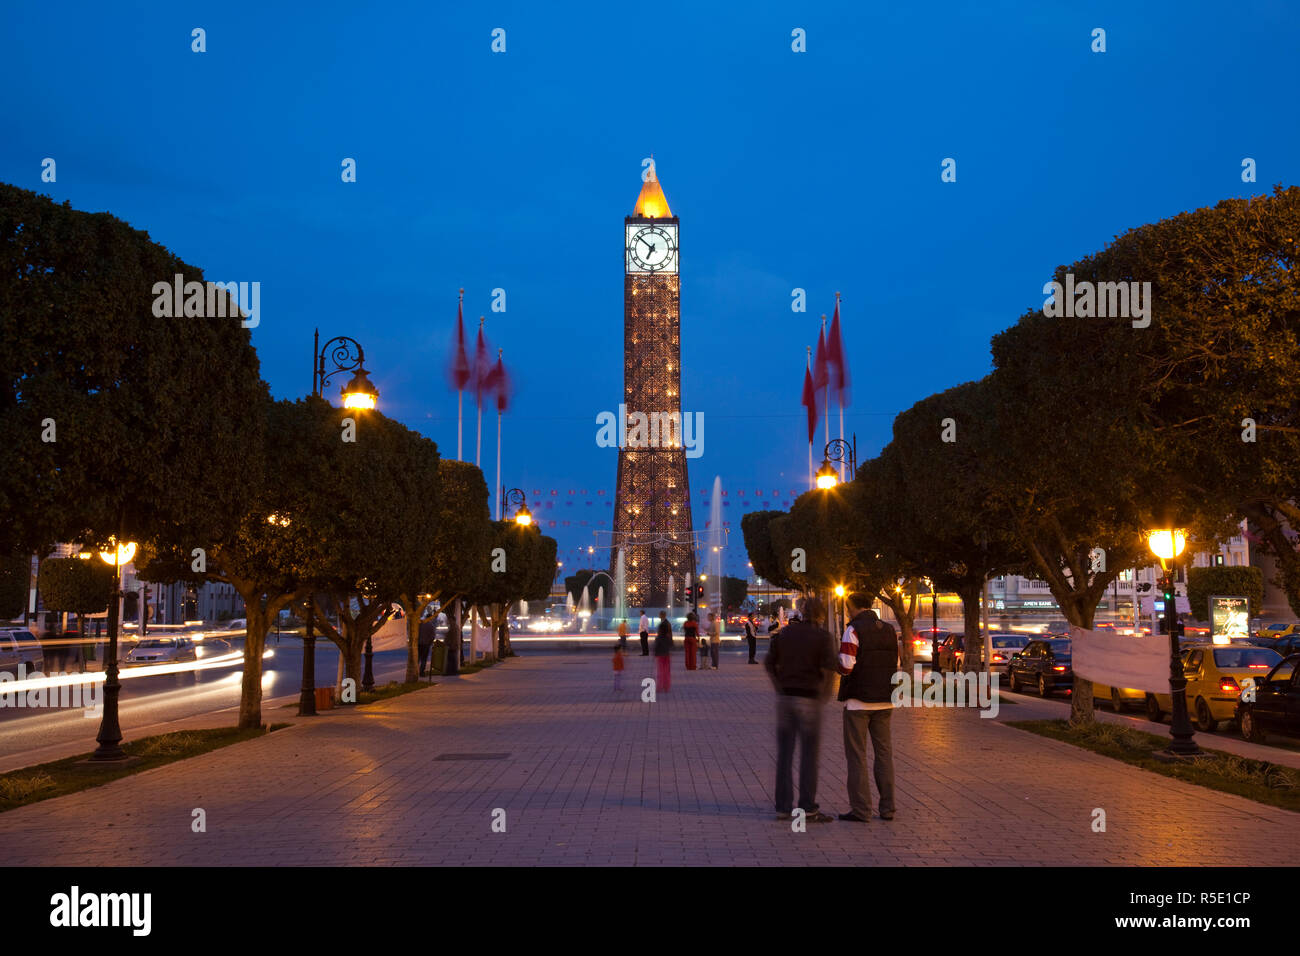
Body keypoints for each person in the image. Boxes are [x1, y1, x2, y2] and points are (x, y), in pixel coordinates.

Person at [764, 595, 836, 824]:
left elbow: (768, 662)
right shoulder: (823, 637)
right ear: (821, 614)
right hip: (809, 697)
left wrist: (779, 685)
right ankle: (807, 808)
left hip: (786, 697)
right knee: (809, 756)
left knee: (785, 754)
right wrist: (824, 693)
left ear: (803, 613)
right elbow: (830, 667)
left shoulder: (785, 634)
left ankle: (783, 807)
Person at [836, 592, 899, 822]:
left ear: (851, 606)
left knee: (857, 755)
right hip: (885, 699)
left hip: (858, 702)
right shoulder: (889, 630)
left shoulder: (853, 630)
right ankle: (888, 808)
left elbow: (846, 665)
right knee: (884, 754)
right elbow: (896, 662)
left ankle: (861, 810)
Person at [654, 609, 672, 692]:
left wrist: (655, 652)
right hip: (666, 653)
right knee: (666, 670)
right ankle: (666, 686)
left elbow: (656, 645)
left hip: (661, 654)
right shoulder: (666, 624)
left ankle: (660, 686)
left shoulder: (665, 624)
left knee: (661, 671)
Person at [418, 612, 436, 676]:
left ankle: (415, 671)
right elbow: (433, 636)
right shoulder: (431, 626)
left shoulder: (420, 625)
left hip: (419, 643)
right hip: (426, 644)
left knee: (418, 658)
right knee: (424, 659)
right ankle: (421, 672)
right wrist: (430, 642)